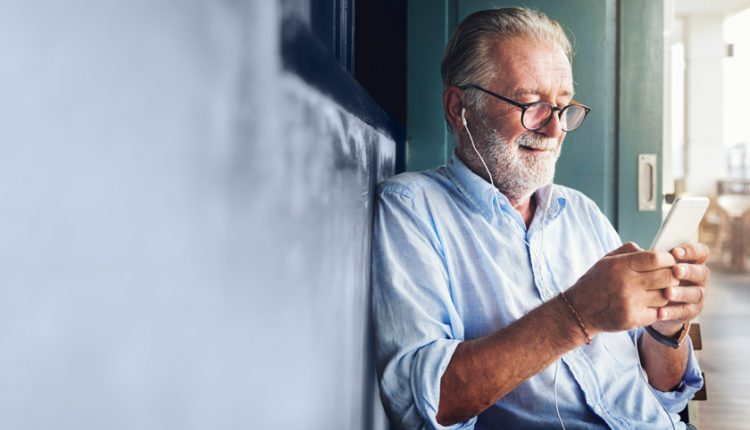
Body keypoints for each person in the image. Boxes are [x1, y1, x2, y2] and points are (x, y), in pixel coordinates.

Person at [372, 7, 707, 430]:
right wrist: (577, 313)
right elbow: (428, 404)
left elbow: (665, 391)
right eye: (531, 104)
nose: (554, 131)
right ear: (460, 108)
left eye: (563, 107)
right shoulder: (413, 208)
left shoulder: (580, 211)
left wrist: (668, 326)